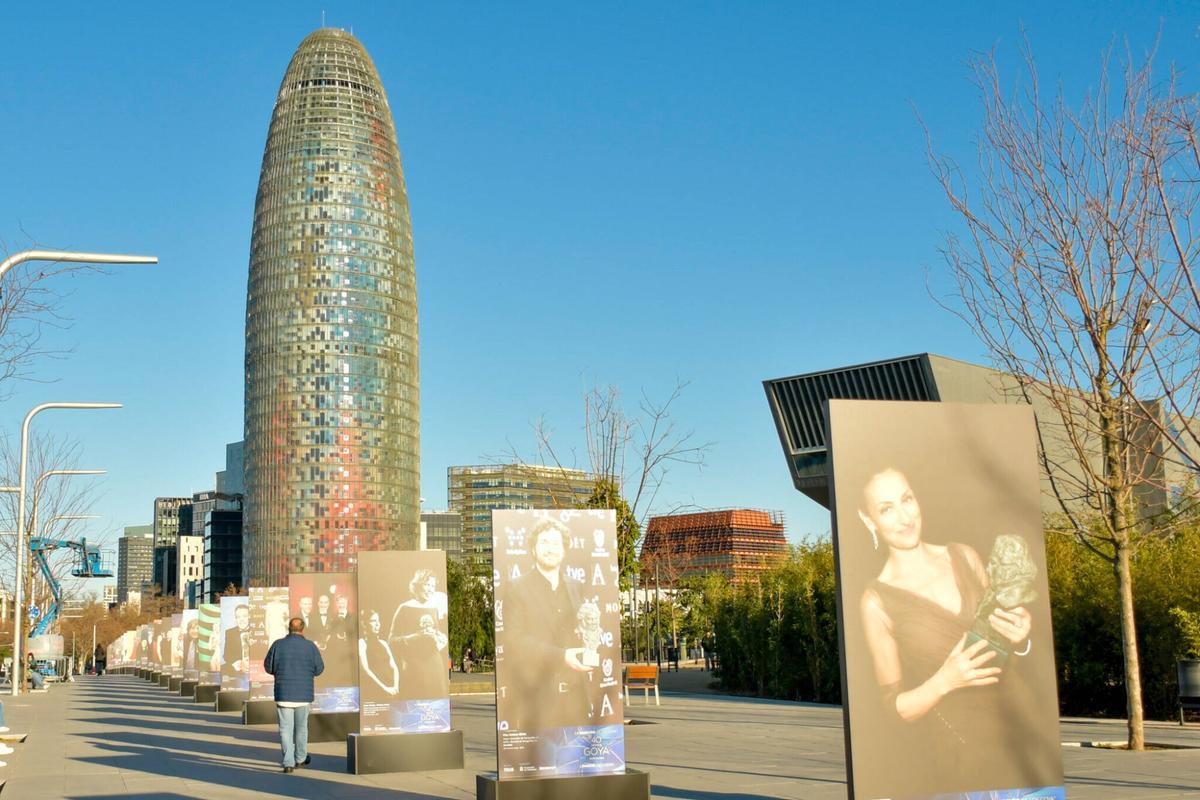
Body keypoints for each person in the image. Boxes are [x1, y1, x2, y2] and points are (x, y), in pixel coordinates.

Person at [856, 467, 1033, 793]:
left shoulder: (964, 556)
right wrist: (945, 680)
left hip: (1019, 744)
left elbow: (1004, 649)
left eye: (906, 499)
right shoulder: (876, 601)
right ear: (869, 520)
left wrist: (1020, 637)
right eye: (886, 508)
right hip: (958, 760)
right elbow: (893, 708)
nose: (904, 516)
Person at [502, 517, 598, 730]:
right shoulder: (517, 588)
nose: (550, 549)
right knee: (543, 760)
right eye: (544, 542)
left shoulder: (576, 587)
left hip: (575, 699)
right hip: (537, 697)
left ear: (564, 550)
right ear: (533, 549)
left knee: (576, 760)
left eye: (556, 543)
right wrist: (561, 655)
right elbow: (514, 640)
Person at [263, 617, 324, 774]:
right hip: (303, 695)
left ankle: (288, 762)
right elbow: (319, 669)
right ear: (303, 629)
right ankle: (301, 758)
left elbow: (268, 667)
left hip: (283, 693)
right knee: (301, 729)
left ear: (288, 628)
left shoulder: (278, 645)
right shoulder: (310, 647)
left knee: (285, 729)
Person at [358, 609, 399, 696]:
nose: (378, 624)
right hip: (376, 690)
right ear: (364, 624)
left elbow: (394, 667)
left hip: (392, 690)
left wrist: (395, 686)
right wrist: (385, 689)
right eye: (373, 621)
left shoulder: (384, 643)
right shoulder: (362, 643)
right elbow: (366, 670)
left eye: (378, 621)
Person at [221, 604, 252, 681]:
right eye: (238, 617)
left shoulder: (257, 631)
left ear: (249, 616)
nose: (241, 619)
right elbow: (226, 655)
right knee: (222, 670)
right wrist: (237, 662)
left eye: (244, 616)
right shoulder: (229, 632)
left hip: (254, 667)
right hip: (237, 668)